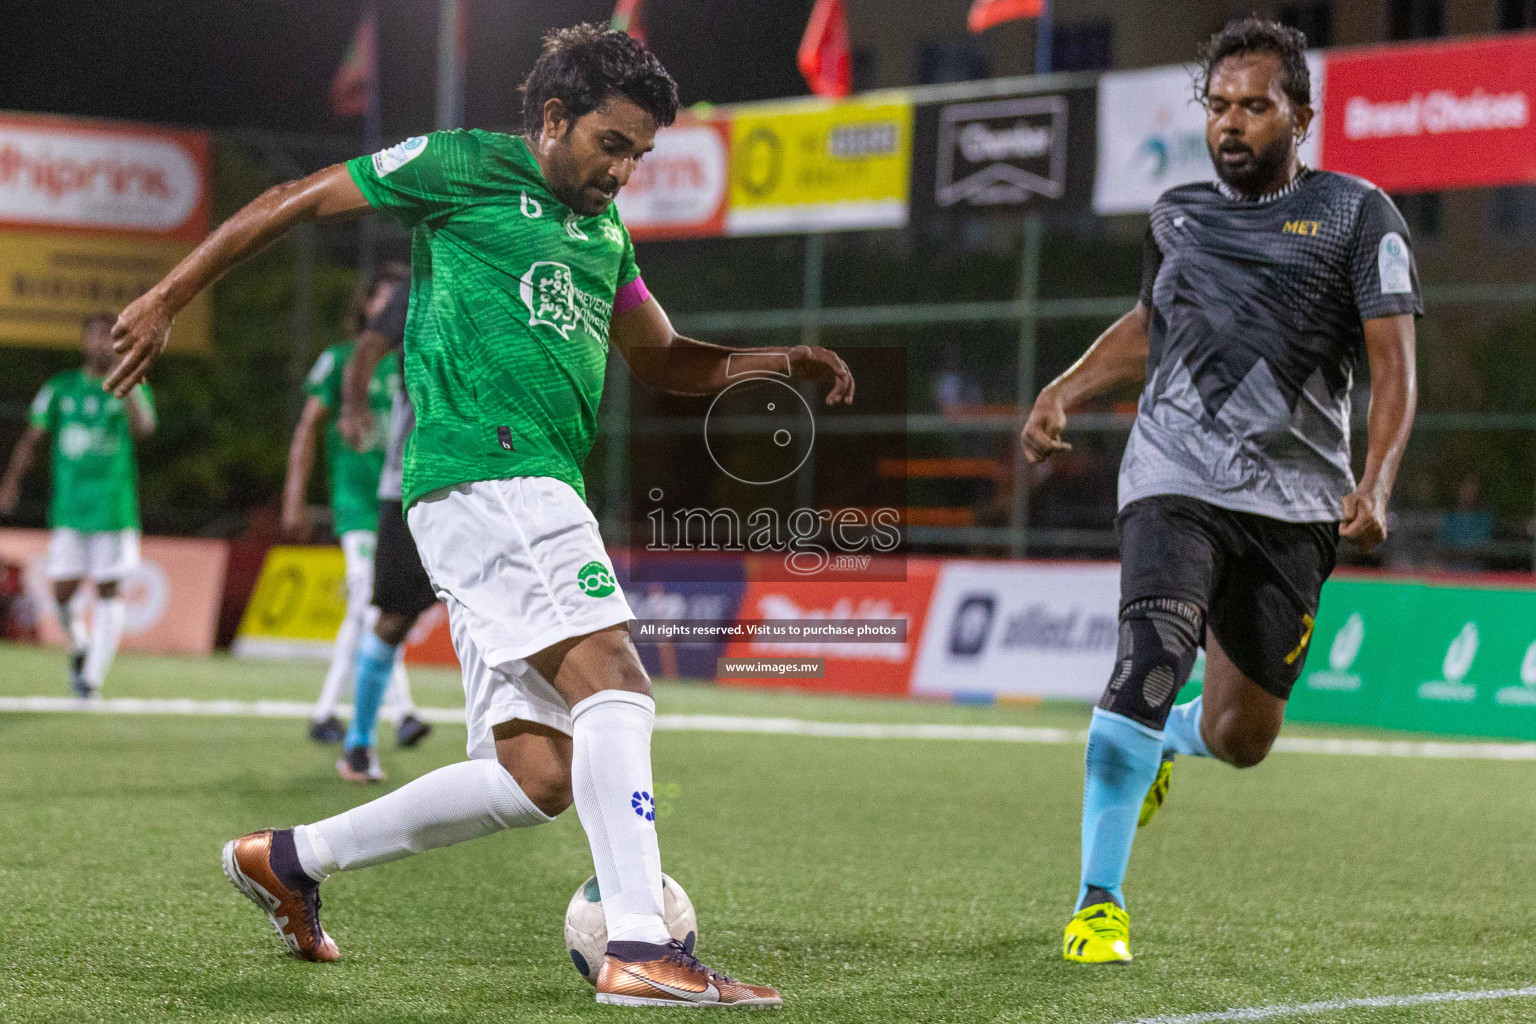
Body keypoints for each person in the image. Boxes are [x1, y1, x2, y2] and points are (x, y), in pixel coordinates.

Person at [109, 25, 853, 1007]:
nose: (624, 171)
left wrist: (773, 363)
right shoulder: (461, 167)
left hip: (515, 492)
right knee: (615, 680)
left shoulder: (606, 232)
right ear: (555, 118)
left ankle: (289, 857)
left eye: (639, 155)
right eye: (612, 145)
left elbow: (663, 356)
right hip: (489, 473)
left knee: (534, 774)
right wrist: (167, 294)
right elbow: (298, 199)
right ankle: (640, 944)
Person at [1020, 17, 1419, 964]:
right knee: (1149, 658)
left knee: (1243, 736)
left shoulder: (1360, 217)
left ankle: (1174, 743)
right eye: (1218, 106)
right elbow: (1151, 326)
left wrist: (1377, 480)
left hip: (1295, 500)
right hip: (1174, 475)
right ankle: (1098, 902)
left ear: (1301, 115)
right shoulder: (1177, 216)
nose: (1231, 124)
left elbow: (1394, 363)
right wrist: (1064, 388)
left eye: (1254, 106)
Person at [281, 265, 431, 764]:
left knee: (382, 606)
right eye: (382, 298)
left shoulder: (415, 356)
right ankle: (393, 712)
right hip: (360, 504)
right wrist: (294, 497)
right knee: (373, 602)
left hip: (410, 498)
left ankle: (331, 713)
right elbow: (307, 429)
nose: (392, 307)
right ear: (366, 307)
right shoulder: (343, 361)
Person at [325, 264, 442, 783]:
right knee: (392, 616)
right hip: (411, 485)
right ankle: (359, 741)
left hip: (494, 480)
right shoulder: (426, 280)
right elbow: (368, 347)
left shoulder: (518, 269)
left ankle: (501, 755)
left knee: (492, 623)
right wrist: (352, 407)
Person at [0, 313, 156, 697]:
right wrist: (10, 482)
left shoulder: (128, 384)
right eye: (96, 337)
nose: (102, 344)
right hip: (69, 509)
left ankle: (91, 680)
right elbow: (32, 439)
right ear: (84, 342)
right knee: (62, 593)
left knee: (108, 590)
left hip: (113, 508)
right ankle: (81, 646)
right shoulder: (61, 388)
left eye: (110, 338)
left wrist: (129, 381)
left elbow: (145, 428)